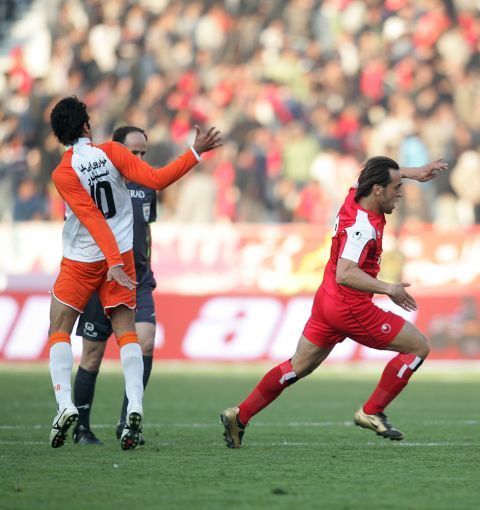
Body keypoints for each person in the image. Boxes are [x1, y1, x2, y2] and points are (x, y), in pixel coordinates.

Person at [219, 156, 447, 448]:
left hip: (327, 301)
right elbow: (346, 273)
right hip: (351, 307)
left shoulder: (355, 195)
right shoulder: (362, 229)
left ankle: (239, 416)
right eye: (396, 188)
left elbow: (373, 172)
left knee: (297, 366)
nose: (400, 193)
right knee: (418, 347)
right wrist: (388, 288)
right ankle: (372, 410)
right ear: (378, 190)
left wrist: (415, 173)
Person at [46, 96, 222, 449]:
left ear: (58, 135)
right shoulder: (112, 151)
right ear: (86, 126)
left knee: (59, 329)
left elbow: (91, 217)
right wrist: (195, 152)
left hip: (83, 260)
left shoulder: (62, 173)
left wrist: (109, 260)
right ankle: (135, 408)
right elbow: (157, 179)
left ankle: (65, 405)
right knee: (128, 333)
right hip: (123, 258)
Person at [71, 126, 159, 445]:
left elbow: (145, 229)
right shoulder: (95, 180)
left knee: (145, 342)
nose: (139, 158)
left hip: (138, 280)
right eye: (133, 152)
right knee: (92, 356)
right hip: (102, 277)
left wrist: (146, 265)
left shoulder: (147, 185)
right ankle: (81, 428)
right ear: (117, 151)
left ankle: (127, 423)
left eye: (143, 153)